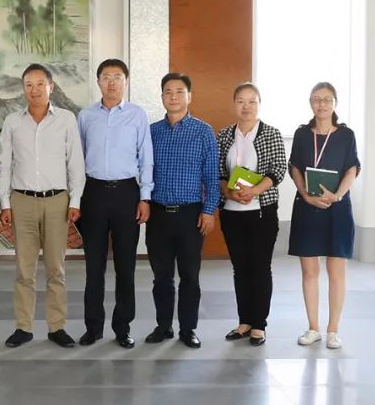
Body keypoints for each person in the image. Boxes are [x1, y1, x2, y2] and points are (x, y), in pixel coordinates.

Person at [0, 64, 86, 349]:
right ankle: (23, 327)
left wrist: (75, 200)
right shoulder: (13, 121)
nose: (34, 90)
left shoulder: (66, 120)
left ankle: (56, 327)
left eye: (40, 84)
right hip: (22, 201)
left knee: (56, 269)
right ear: (23, 88)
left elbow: (75, 163)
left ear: (51, 87)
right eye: (28, 84)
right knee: (24, 270)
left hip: (57, 202)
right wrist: (5, 203)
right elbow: (5, 165)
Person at [76, 59, 153, 349]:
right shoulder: (86, 116)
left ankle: (122, 328)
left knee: (126, 266)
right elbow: (77, 159)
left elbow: (146, 158)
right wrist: (76, 199)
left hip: (126, 193)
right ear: (98, 82)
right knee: (94, 267)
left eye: (117, 77)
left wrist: (145, 197)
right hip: (93, 192)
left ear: (126, 82)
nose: (111, 82)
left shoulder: (137, 115)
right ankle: (93, 328)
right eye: (106, 77)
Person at [145, 72, 220, 349]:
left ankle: (188, 329)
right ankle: (163, 326)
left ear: (189, 96)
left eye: (179, 91)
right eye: (168, 91)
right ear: (162, 97)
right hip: (158, 214)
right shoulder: (151, 132)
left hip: (191, 215)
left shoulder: (203, 131)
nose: (173, 96)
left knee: (190, 276)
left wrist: (209, 210)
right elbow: (143, 172)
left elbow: (211, 176)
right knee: (161, 276)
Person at [288, 82, 360, 350]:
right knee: (309, 271)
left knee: (336, 271)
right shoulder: (302, 134)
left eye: (327, 99)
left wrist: (338, 195)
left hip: (337, 209)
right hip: (307, 207)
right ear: (310, 103)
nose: (322, 104)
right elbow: (294, 167)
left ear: (335, 103)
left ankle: (333, 330)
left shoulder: (346, 135)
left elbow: (352, 168)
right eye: (317, 99)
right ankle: (313, 328)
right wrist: (306, 195)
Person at [216, 82, 287, 347]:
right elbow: (218, 171)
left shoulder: (271, 133)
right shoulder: (225, 134)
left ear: (259, 104)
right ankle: (244, 321)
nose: (246, 107)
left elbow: (278, 168)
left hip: (261, 212)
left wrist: (254, 190)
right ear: (234, 104)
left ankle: (259, 324)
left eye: (252, 101)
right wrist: (228, 191)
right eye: (241, 101)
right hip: (231, 212)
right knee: (240, 268)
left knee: (260, 267)